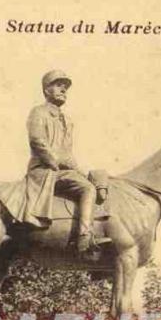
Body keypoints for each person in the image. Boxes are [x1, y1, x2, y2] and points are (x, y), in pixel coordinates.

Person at [26, 70, 101, 254]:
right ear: (46, 90)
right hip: (45, 169)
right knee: (88, 189)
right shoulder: (38, 112)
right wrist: (57, 162)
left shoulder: (67, 120)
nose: (63, 90)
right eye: (58, 85)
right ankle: (85, 238)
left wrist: (78, 170)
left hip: (62, 171)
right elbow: (37, 141)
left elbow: (68, 152)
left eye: (65, 87)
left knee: (94, 182)